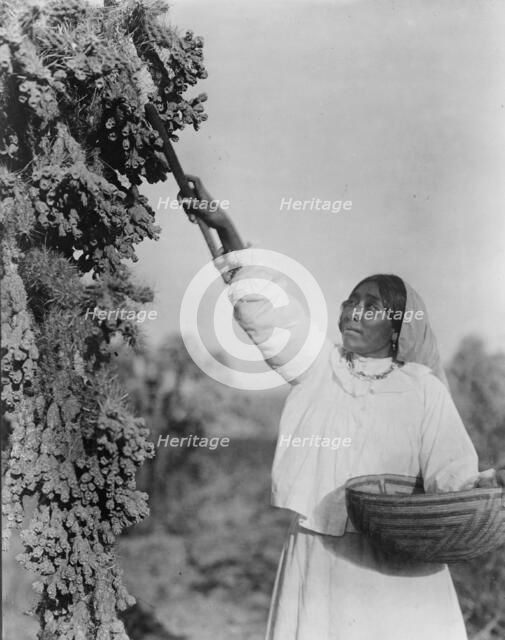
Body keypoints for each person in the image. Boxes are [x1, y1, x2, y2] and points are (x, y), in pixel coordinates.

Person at [179, 176, 502, 640]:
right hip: (324, 556)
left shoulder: (423, 390)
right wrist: (225, 228)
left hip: (401, 563)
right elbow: (264, 308)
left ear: (396, 328)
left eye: (371, 306)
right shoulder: (320, 367)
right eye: (352, 301)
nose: (353, 311)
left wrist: (491, 484)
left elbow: (453, 479)